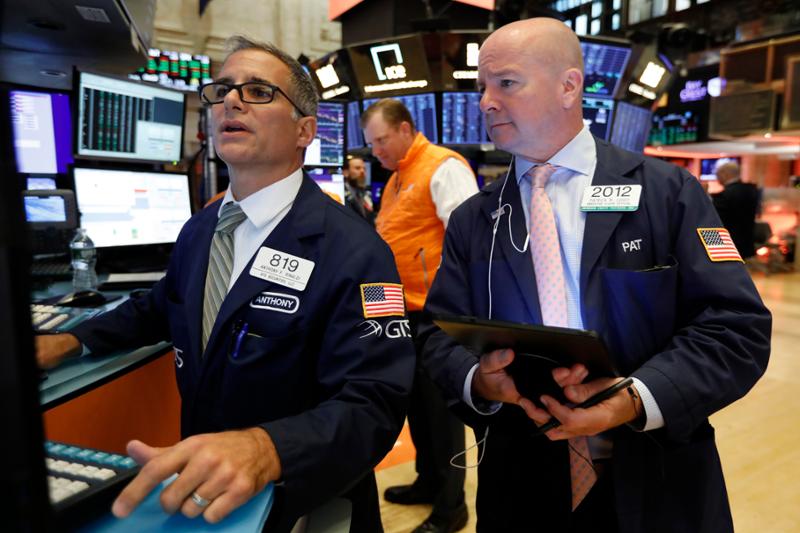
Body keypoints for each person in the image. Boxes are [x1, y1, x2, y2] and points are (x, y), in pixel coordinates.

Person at [36, 36, 415, 532]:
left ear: (304, 130)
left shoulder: (356, 251)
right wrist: (70, 340)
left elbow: (373, 403)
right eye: (222, 90)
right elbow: (160, 306)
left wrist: (268, 447)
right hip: (206, 496)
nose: (231, 101)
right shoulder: (201, 229)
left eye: (258, 91)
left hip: (298, 499)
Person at [420, 18, 771, 532]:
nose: (487, 103)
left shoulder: (666, 194)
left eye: (506, 83)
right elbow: (435, 333)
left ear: (569, 86)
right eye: (482, 88)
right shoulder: (476, 219)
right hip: (521, 481)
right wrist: (480, 381)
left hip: (656, 474)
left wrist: (634, 398)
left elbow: (736, 328)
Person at [362, 99, 478, 533]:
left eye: (381, 140)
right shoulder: (397, 177)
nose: (376, 151)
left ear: (406, 129)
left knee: (443, 415)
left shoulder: (443, 167)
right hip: (401, 313)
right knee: (418, 410)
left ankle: (452, 508)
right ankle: (428, 481)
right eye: (371, 144)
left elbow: (470, 243)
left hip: (436, 315)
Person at [712, 161, 760, 258]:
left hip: (728, 247)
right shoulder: (752, 190)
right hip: (747, 244)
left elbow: (715, 223)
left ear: (725, 174)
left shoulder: (723, 196)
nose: (717, 178)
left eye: (717, 175)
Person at [342, 155, 374, 225]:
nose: (362, 171)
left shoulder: (365, 193)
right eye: (357, 168)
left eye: (364, 169)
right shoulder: (340, 193)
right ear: (346, 173)